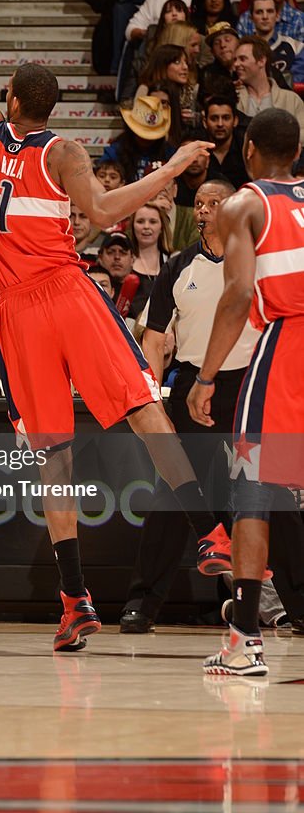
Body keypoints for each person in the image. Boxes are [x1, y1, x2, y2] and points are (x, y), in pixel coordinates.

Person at [0, 0, 231, 653]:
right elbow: (107, 212)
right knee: (146, 414)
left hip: (17, 314)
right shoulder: (65, 151)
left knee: (55, 453)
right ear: (50, 107)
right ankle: (208, 534)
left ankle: (73, 598)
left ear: (9, 98)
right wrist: (174, 166)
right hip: (65, 294)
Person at [188, 109, 304, 674]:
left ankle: (244, 638)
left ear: (250, 149)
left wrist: (206, 377)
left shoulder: (246, 204)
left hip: (286, 346)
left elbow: (237, 297)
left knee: (253, 493)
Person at [122, 179, 261, 631]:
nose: (203, 211)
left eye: (213, 203)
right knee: (174, 494)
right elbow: (156, 335)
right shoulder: (179, 266)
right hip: (192, 386)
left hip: (248, 385)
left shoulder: (254, 262)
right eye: (198, 204)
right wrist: (153, 396)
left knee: (268, 492)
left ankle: (287, 606)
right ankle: (143, 604)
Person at [233, 36, 304, 140]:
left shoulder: (291, 99)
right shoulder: (233, 98)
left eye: (242, 59)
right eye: (235, 59)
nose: (236, 64)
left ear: (261, 60)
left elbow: (302, 135)